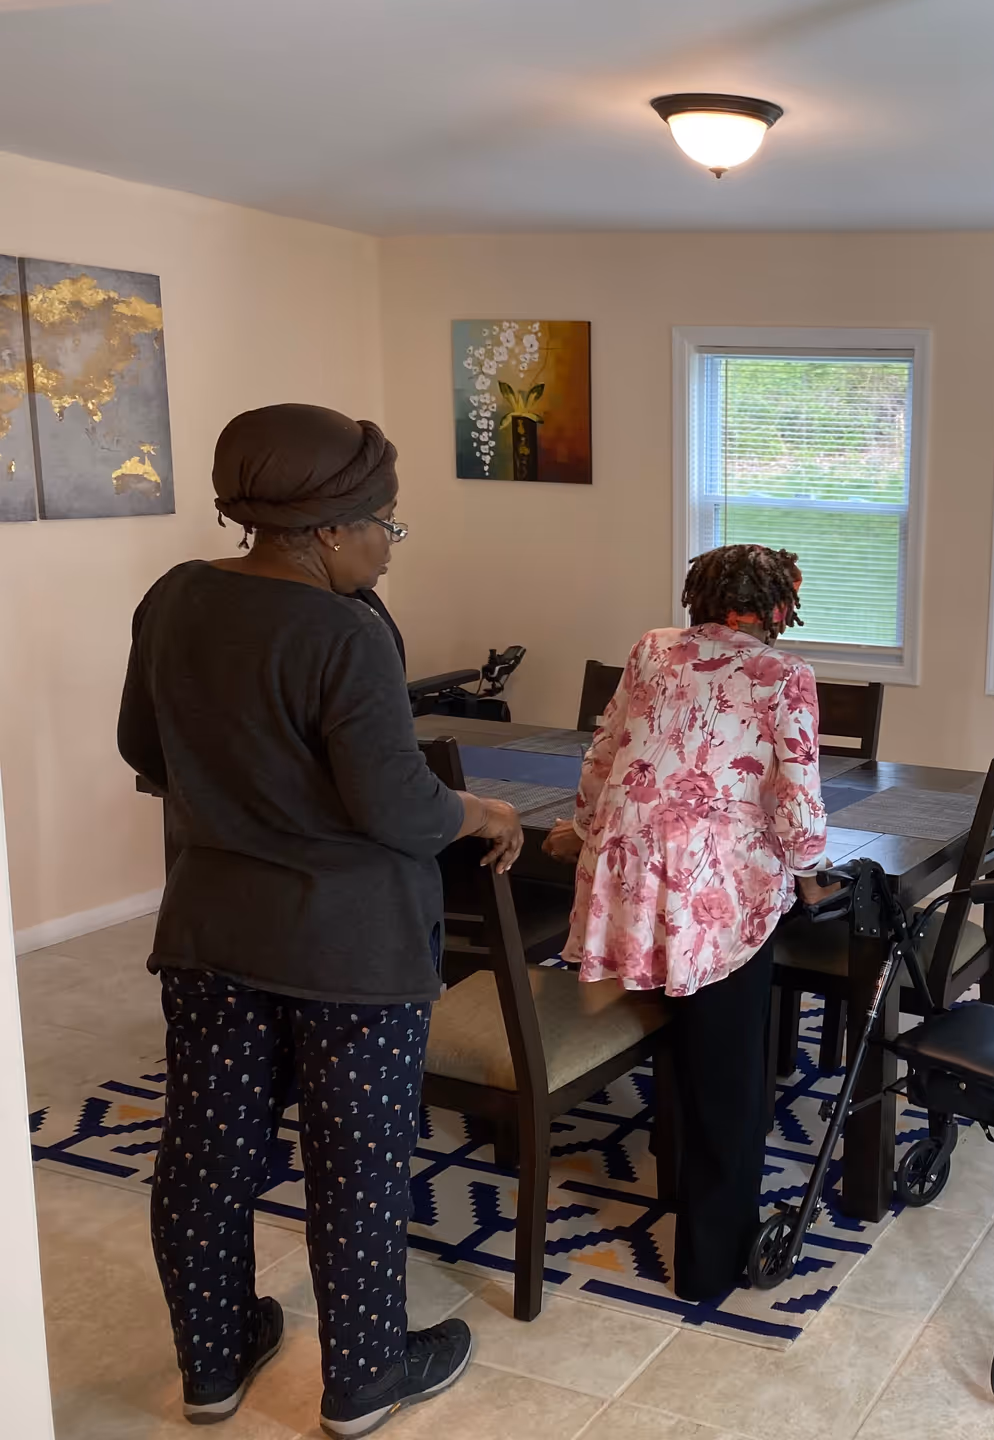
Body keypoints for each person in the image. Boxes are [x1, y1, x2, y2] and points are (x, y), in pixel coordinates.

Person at [117, 403, 523, 1437]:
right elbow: (399, 807)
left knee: (205, 1157)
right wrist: (481, 812)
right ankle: (365, 1380)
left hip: (211, 934)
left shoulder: (174, 598)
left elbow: (145, 751)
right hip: (351, 951)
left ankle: (212, 1366)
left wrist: (244, 792)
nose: (390, 545)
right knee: (356, 1167)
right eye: (387, 522)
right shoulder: (345, 632)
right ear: (328, 527)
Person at [543, 544, 829, 1301]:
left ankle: (670, 1151)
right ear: (778, 610)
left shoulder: (651, 649)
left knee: (693, 1036)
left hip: (630, 881)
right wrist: (808, 868)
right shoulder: (784, 674)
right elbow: (799, 805)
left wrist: (585, 829)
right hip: (715, 898)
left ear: (697, 597)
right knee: (728, 1076)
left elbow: (603, 755)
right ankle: (708, 1264)